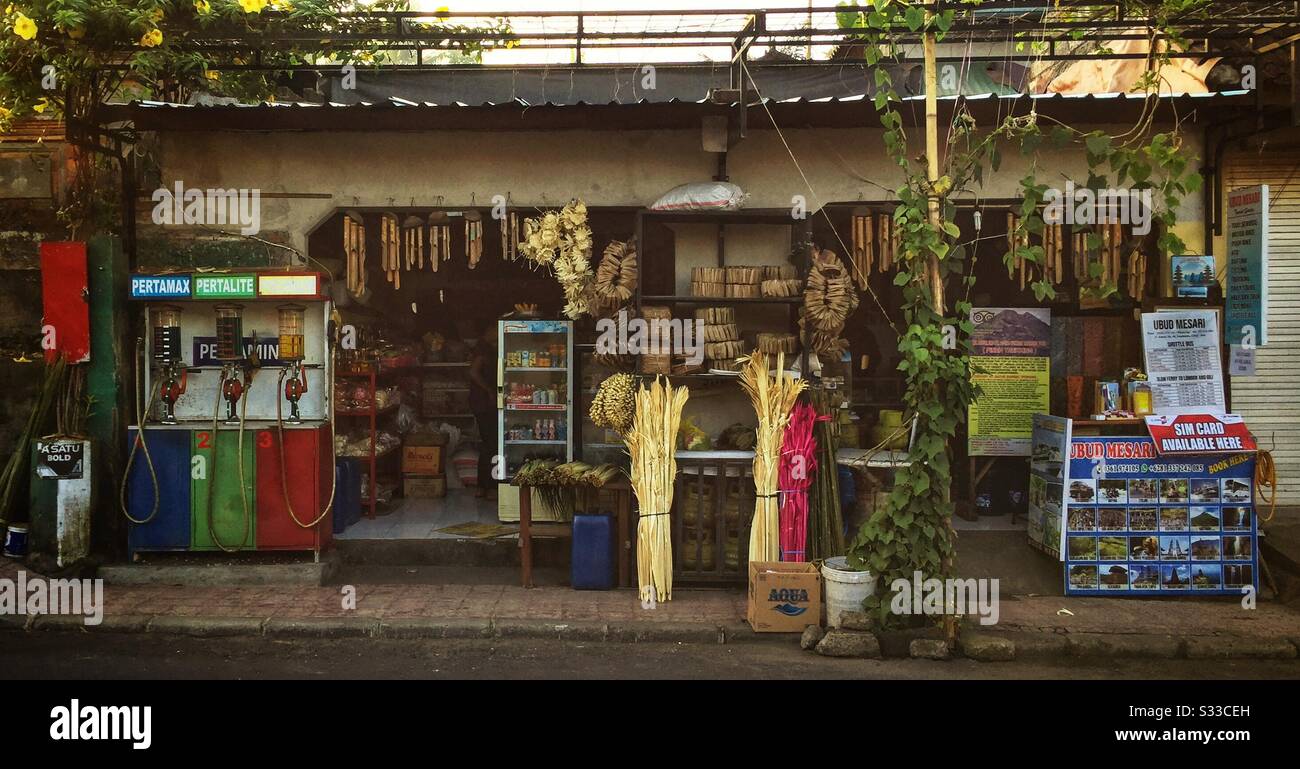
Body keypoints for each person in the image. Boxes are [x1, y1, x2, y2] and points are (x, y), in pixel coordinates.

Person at [468, 323, 499, 498]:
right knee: (492, 443)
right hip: (485, 404)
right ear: (488, 330)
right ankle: (491, 487)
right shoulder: (483, 348)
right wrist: (489, 390)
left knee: (488, 443)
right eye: (495, 328)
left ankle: (483, 486)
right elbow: (473, 372)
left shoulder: (487, 347)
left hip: (484, 403)